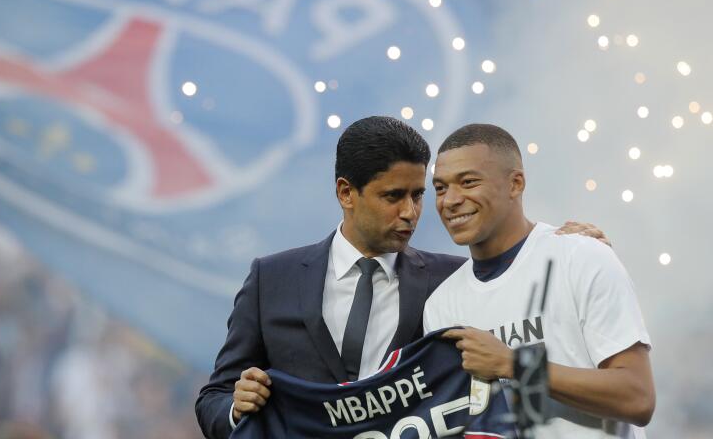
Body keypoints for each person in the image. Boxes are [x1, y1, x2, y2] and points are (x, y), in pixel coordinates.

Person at [195, 116, 609, 439]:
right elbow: (214, 397)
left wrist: (563, 246)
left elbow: (515, 378)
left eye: (418, 195)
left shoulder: (453, 283)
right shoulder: (272, 278)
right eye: (393, 196)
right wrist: (236, 408)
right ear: (346, 193)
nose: (410, 212)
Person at [422, 123, 655, 438]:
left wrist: (514, 364)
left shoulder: (581, 257)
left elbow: (638, 397)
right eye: (440, 187)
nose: (450, 200)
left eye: (468, 182)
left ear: (515, 184)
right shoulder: (441, 305)